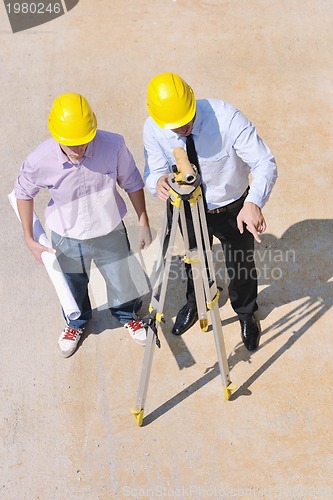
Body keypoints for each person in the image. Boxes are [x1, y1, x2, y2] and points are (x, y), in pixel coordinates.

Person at [143, 73, 277, 351]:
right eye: (174, 126)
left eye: (185, 121)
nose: (181, 129)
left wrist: (253, 203)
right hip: (188, 207)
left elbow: (264, 162)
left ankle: (246, 311)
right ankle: (197, 301)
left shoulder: (226, 118)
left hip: (232, 208)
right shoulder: (153, 128)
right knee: (194, 258)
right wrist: (157, 183)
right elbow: (153, 171)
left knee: (240, 263)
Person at [14, 92, 152, 357]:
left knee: (120, 279)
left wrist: (143, 220)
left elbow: (132, 181)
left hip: (109, 229)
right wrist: (29, 239)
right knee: (73, 285)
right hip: (67, 238)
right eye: (71, 144)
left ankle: (127, 314)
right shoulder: (40, 160)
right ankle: (76, 322)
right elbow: (23, 192)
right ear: (56, 135)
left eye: (84, 141)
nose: (79, 149)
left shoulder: (113, 146)